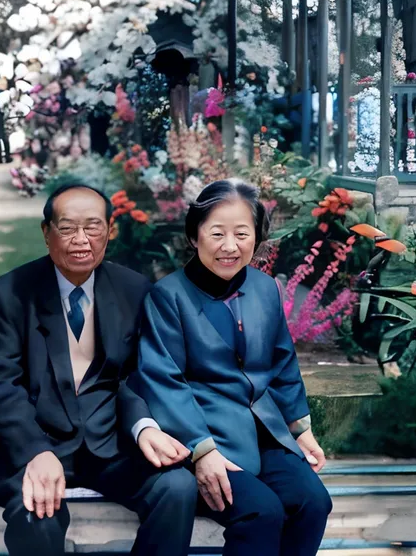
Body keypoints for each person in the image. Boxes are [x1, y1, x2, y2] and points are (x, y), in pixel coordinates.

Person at [0, 183, 197, 556]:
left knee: (176, 489)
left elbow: (140, 375)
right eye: (67, 228)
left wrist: (142, 426)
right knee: (38, 518)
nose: (81, 239)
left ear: (110, 231)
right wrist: (34, 450)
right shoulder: (6, 295)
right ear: (46, 233)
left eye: (93, 227)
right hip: (33, 445)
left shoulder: (135, 291)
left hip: (109, 444)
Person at [138, 178, 333, 556]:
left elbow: (282, 361)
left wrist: (300, 427)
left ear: (256, 237)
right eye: (217, 233)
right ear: (194, 237)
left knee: (313, 503)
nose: (230, 246)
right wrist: (201, 449)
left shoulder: (265, 288)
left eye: (242, 233)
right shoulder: (168, 297)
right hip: (206, 440)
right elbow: (163, 380)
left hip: (265, 435)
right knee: (261, 513)